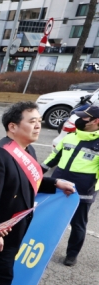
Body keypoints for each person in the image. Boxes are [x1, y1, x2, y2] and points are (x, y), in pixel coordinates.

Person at [0, 102, 75, 285]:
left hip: (17, 226)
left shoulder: (27, 150)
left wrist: (55, 183)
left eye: (39, 122)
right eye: (32, 122)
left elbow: (30, 178)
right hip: (0, 228)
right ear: (12, 126)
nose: (38, 126)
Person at [43, 105, 99, 266]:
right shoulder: (70, 136)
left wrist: (92, 187)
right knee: (50, 219)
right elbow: (53, 158)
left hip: (82, 191)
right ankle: (42, 248)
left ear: (96, 121)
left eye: (85, 118)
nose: (79, 120)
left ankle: (71, 255)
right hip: (57, 185)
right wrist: (38, 171)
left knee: (78, 224)